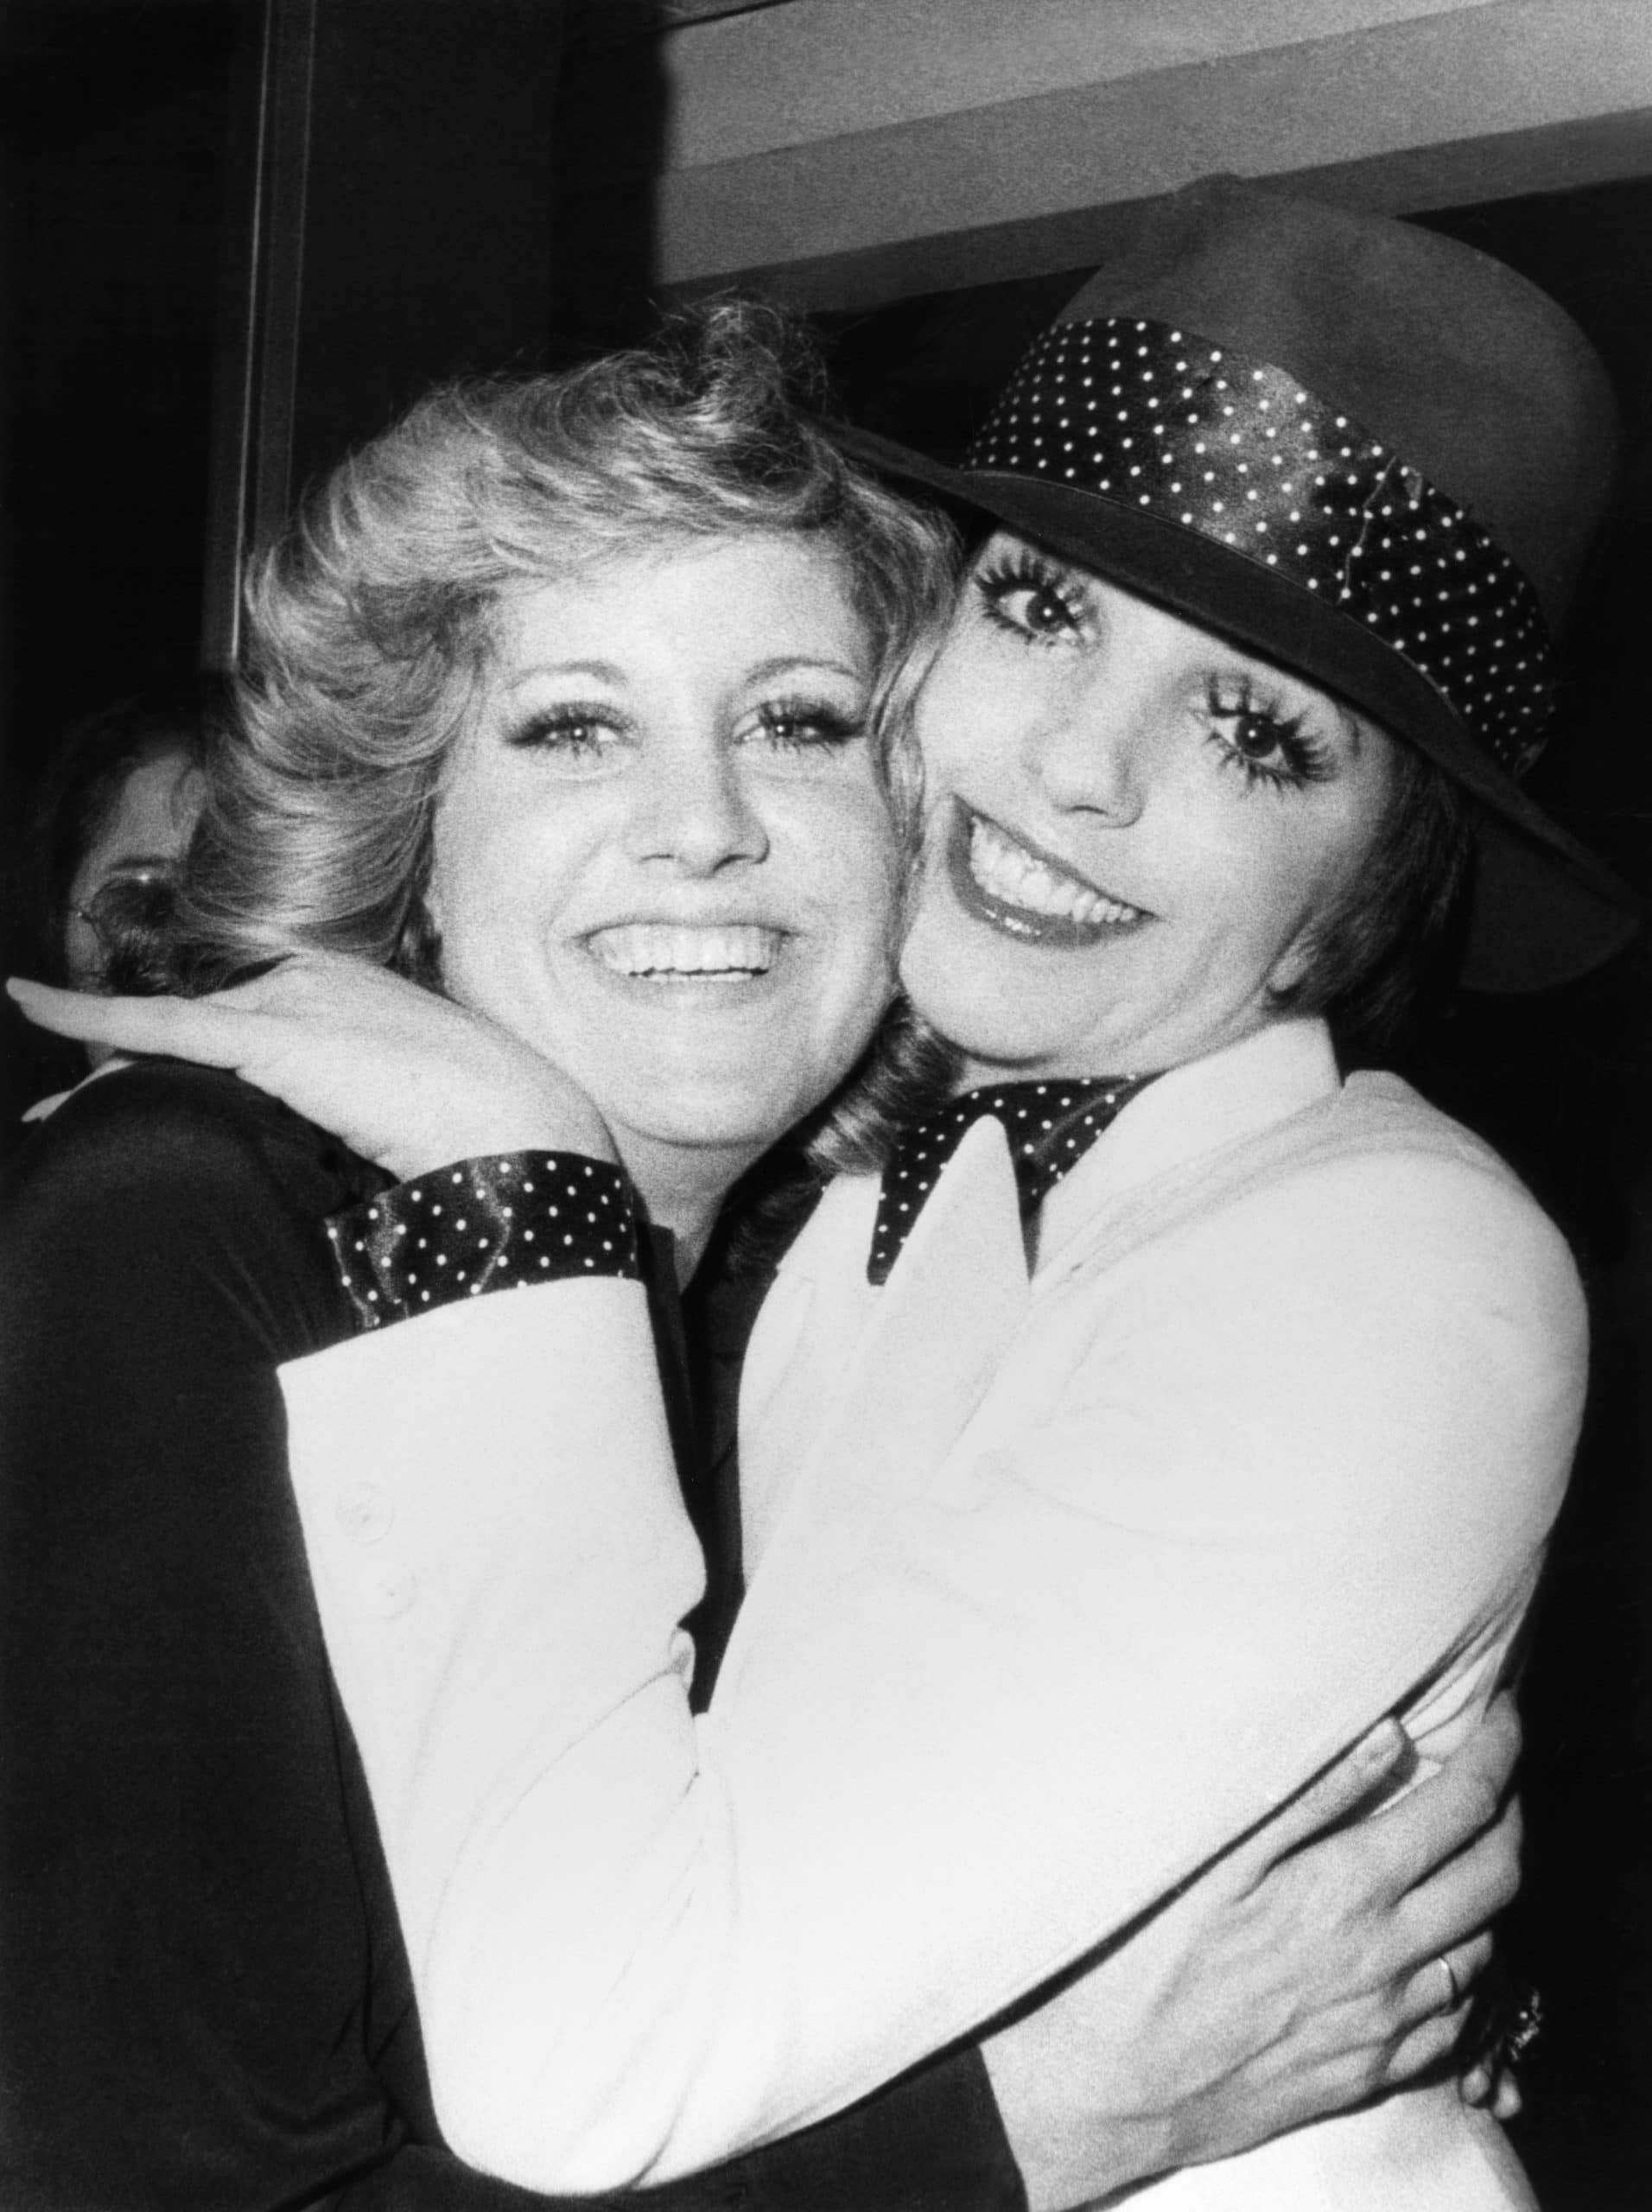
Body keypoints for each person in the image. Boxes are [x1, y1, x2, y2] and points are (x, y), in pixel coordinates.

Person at [35, 181, 1635, 2205]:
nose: (1073, 771)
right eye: (1044, 611)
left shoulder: (1237, 1254)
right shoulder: (198, 1222)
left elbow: (603, 2034)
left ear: (1375, 890)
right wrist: (1041, 2117)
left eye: (1250, 729)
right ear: (412, 818)